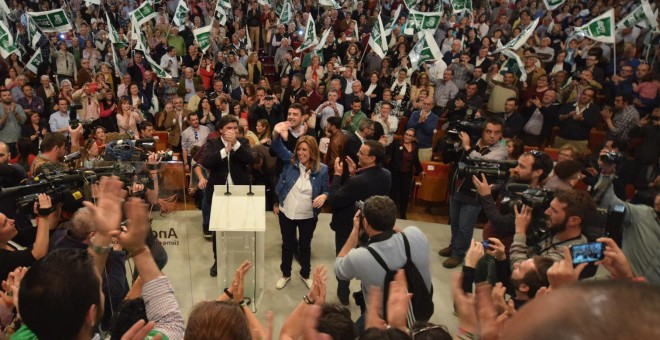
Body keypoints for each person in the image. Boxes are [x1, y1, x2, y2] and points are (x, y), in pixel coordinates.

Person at [334, 196, 432, 325]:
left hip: (384, 325)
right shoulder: (416, 234)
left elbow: (339, 269)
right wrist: (386, 222)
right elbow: (400, 234)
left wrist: (354, 232)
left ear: (365, 223)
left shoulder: (360, 257)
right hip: (421, 313)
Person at [327, 140, 392, 305]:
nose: (357, 154)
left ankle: (343, 294)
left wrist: (337, 175)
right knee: (370, 262)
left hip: (349, 227)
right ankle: (366, 294)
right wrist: (354, 174)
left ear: (372, 159)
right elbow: (362, 189)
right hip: (372, 228)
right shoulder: (386, 175)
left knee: (343, 260)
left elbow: (335, 198)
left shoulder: (357, 182)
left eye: (361, 153)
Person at [440, 117, 508, 268]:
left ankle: (458, 254)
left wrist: (467, 146)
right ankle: (454, 246)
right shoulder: (474, 141)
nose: (492, 136)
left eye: (497, 133)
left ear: (501, 134)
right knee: (455, 222)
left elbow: (482, 162)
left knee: (465, 226)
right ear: (482, 132)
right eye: (489, 132)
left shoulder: (501, 150)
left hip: (475, 193)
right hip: (457, 186)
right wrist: (454, 143)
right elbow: (452, 157)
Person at [271, 121, 329, 290]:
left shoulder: (322, 169)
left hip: (308, 216)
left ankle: (305, 274)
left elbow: (326, 189)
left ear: (312, 151)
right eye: (299, 149)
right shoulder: (290, 161)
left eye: (305, 149)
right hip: (286, 213)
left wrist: (324, 196)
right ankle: (285, 274)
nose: (301, 153)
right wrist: (276, 132)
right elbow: (276, 145)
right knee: (287, 245)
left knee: (305, 246)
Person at [199, 115, 254, 277]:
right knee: (219, 229)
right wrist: (225, 151)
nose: (233, 131)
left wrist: (235, 144)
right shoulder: (212, 143)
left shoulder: (243, 142)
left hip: (239, 193)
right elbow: (207, 162)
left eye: (235, 128)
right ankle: (218, 260)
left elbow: (249, 159)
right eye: (229, 128)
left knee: (239, 226)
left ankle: (239, 257)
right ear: (221, 130)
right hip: (219, 193)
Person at [511, 190, 593, 267]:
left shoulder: (568, 256)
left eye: (554, 210)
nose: (546, 212)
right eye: (550, 207)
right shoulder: (557, 230)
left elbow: (521, 273)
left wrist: (520, 231)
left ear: (574, 220)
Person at [388, 128, 424, 220]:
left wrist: (420, 170)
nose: (407, 137)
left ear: (413, 138)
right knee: (393, 195)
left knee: (405, 195)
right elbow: (386, 152)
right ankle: (391, 215)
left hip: (407, 175)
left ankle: (403, 214)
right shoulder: (396, 143)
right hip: (395, 174)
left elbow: (416, 160)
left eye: (410, 135)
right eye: (406, 134)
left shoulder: (415, 146)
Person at [406, 97, 439, 162]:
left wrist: (424, 121)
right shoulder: (415, 113)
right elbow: (408, 127)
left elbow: (429, 131)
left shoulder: (434, 117)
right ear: (422, 104)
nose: (426, 106)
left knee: (422, 169)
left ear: (432, 106)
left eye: (428, 104)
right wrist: (418, 122)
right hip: (411, 145)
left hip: (425, 147)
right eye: (424, 103)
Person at [0, 88, 27, 156]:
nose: (7, 97)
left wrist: (14, 112)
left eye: (9, 95)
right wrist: (5, 114)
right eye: (4, 95)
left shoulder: (18, 107)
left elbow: (23, 121)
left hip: (17, 140)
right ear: (0, 98)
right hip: (3, 142)